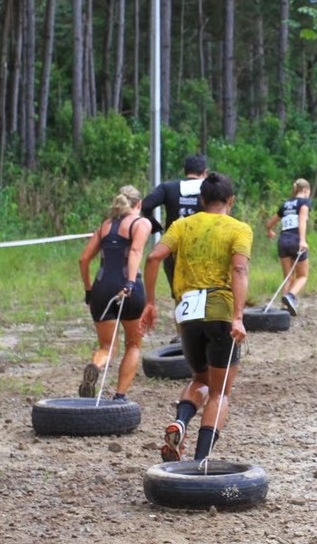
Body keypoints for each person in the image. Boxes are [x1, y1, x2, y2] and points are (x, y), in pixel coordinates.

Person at [141, 172, 252, 462]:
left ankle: (180, 422)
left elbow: (153, 257)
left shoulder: (181, 225)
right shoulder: (239, 229)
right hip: (220, 310)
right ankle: (199, 461)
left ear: (202, 200)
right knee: (219, 392)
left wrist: (150, 302)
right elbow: (239, 270)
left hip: (186, 312)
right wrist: (238, 317)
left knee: (199, 378)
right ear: (231, 201)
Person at [77, 185, 153, 400]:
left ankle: (96, 365)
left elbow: (83, 260)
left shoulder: (105, 226)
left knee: (106, 346)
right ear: (139, 204)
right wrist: (130, 283)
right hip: (129, 289)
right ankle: (120, 396)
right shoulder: (141, 223)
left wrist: (88, 289)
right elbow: (135, 251)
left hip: (101, 289)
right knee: (133, 344)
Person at [141, 154, 208, 292]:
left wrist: (154, 225)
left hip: (173, 250)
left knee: (179, 294)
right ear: (204, 172)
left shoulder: (168, 187)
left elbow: (146, 205)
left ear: (185, 170)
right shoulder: (210, 189)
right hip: (204, 250)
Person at [264, 178, 312, 316]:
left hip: (283, 241)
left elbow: (269, 223)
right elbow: (302, 220)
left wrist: (269, 231)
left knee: (288, 277)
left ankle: (284, 309)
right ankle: (290, 296)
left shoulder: (285, 204)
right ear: (306, 190)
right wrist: (302, 240)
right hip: (296, 240)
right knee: (303, 276)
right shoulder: (304, 203)